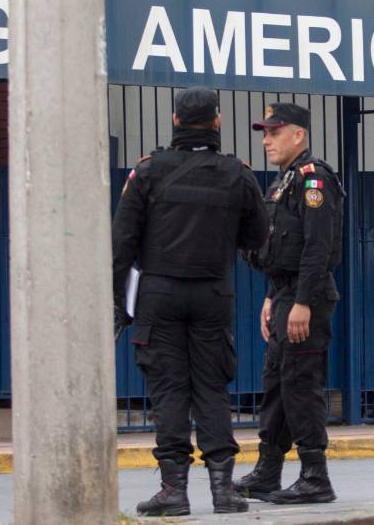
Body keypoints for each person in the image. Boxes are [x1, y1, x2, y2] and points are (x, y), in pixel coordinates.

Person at [112, 87, 269, 516]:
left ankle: (173, 490)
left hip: (158, 294)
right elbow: (258, 236)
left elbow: (122, 243)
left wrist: (117, 305)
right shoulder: (238, 174)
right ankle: (223, 490)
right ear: (218, 122)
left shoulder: (147, 172)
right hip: (213, 293)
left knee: (169, 389)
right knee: (211, 387)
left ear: (175, 121)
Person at [234, 102, 343, 505]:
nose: (267, 140)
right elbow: (280, 247)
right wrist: (271, 296)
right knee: (277, 385)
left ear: (298, 135)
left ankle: (316, 476)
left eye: (274, 132)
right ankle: (268, 471)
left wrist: (303, 302)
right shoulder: (285, 181)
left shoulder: (314, 179)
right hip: (283, 294)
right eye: (265, 133)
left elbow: (318, 247)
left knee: (300, 385)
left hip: (305, 296)